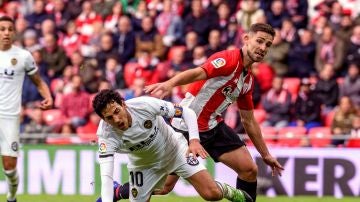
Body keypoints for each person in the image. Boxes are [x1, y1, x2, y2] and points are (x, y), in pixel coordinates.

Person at [144, 23, 284, 202]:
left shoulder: (247, 79)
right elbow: (197, 73)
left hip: (213, 126)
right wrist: (169, 84)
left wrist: (265, 154)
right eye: (260, 41)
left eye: (268, 45)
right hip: (186, 126)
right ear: (246, 39)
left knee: (249, 170)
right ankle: (120, 191)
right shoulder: (228, 59)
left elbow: (248, 120)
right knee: (163, 187)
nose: (263, 48)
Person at [93, 89, 252, 202]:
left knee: (212, 194)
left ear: (123, 104)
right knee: (164, 190)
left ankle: (228, 191)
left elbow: (187, 112)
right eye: (109, 118)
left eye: (116, 111)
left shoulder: (144, 105)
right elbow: (105, 176)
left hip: (176, 150)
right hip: (143, 166)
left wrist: (194, 140)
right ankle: (118, 191)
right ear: (103, 119)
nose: (117, 120)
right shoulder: (106, 136)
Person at [0, 16, 53, 202]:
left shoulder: (23, 56)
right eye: (2, 29)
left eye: (9, 29)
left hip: (9, 118)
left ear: (14, 32)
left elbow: (38, 81)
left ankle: (12, 196)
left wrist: (48, 96)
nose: (6, 32)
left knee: (9, 167)